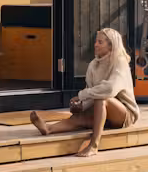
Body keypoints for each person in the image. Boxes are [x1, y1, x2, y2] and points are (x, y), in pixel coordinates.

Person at [29, 28, 139, 156]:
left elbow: (109, 90)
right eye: (96, 41)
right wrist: (81, 105)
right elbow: (90, 91)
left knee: (102, 99)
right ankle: (48, 128)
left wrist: (81, 95)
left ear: (111, 45)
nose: (95, 45)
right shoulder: (93, 65)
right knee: (79, 118)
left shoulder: (120, 62)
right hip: (102, 111)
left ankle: (94, 145)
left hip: (124, 114)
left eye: (100, 42)